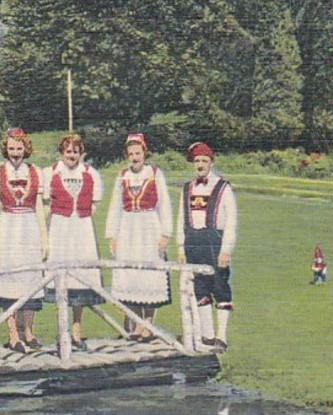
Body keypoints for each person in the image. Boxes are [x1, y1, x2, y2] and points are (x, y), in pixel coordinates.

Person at [105, 133, 173, 342]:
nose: (135, 157)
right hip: (128, 228)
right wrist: (112, 235)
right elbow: (115, 206)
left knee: (150, 275)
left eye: (138, 153)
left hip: (149, 227)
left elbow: (164, 204)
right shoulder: (123, 176)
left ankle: (148, 324)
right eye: (131, 153)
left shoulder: (154, 173)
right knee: (130, 274)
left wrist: (165, 233)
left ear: (144, 152)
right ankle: (134, 323)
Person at [0, 128, 48, 353]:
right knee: (10, 279)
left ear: (25, 149)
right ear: (6, 149)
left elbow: (40, 207)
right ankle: (13, 334)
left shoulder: (36, 172)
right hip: (7, 228)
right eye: (11, 148)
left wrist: (44, 238)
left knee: (30, 279)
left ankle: (28, 331)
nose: (15, 153)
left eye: (19, 148)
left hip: (29, 227)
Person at [43, 133, 104, 351]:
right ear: (62, 153)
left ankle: (77, 329)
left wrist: (80, 216)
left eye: (75, 152)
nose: (72, 155)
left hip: (82, 229)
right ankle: (63, 331)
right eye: (68, 151)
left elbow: (94, 204)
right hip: (60, 229)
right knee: (61, 279)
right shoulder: (50, 172)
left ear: (81, 153)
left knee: (81, 278)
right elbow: (46, 206)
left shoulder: (90, 174)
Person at [176, 142, 237, 353]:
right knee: (199, 288)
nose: (200, 165)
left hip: (215, 241)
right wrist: (181, 247)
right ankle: (207, 335)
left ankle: (221, 336)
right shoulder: (188, 188)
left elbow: (231, 221)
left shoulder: (223, 187)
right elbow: (181, 219)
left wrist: (226, 249)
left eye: (204, 161)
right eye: (197, 161)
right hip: (193, 240)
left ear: (211, 162)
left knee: (219, 286)